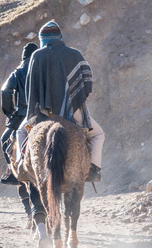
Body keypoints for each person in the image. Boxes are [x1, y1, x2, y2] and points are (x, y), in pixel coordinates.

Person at [21, 20, 105, 182]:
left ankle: (20, 169)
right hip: (73, 111)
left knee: (22, 132)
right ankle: (94, 170)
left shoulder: (37, 56)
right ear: (59, 37)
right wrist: (73, 99)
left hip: (43, 114)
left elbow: (31, 88)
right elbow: (87, 83)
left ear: (42, 39)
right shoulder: (75, 54)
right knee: (98, 134)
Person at [0, 42, 38, 185]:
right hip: (43, 112)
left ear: (23, 57)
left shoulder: (18, 71)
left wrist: (9, 113)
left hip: (23, 115)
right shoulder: (41, 69)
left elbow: (5, 91)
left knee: (4, 140)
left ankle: (12, 172)